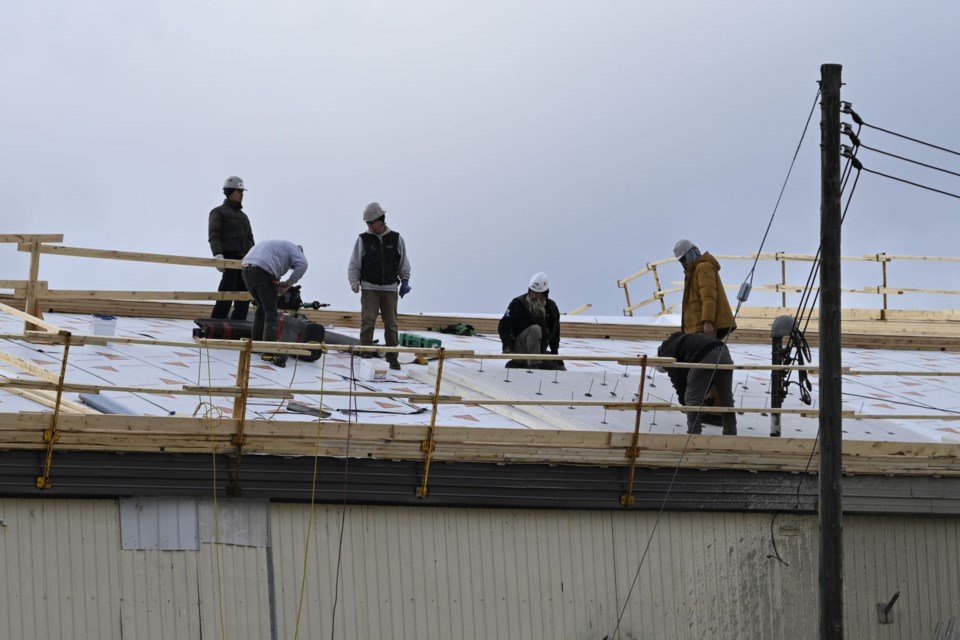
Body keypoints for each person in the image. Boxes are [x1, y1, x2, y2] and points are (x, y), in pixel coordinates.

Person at [347, 202, 412, 371]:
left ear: (380, 220)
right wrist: (354, 282)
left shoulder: (396, 238)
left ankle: (392, 357)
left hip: (390, 288)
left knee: (391, 323)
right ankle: (366, 352)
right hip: (369, 287)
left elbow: (403, 261)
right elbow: (354, 264)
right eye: (367, 223)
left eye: (371, 223)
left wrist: (405, 280)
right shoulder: (363, 239)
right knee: (368, 321)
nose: (368, 226)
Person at [241, 240, 308, 368]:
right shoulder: (297, 251)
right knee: (271, 312)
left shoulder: (280, 247)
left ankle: (256, 345)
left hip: (245, 270)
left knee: (262, 307)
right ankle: (268, 351)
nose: (291, 268)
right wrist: (288, 284)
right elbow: (303, 265)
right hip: (263, 270)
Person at [657, 331, 737, 435]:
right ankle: (730, 433)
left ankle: (694, 434)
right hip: (724, 351)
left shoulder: (667, 353)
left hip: (706, 355)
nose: (668, 371)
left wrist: (684, 403)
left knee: (692, 398)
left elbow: (678, 381)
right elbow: (700, 379)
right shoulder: (682, 342)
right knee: (726, 398)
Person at [209, 176, 255, 320]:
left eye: (242, 192)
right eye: (239, 191)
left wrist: (255, 258)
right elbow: (214, 236)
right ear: (229, 192)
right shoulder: (218, 212)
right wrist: (218, 255)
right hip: (229, 259)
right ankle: (216, 325)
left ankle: (238, 327)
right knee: (226, 294)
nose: (242, 194)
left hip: (245, 261)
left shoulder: (244, 216)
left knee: (244, 297)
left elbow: (250, 239)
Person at [497, 272, 564, 370]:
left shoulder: (551, 307)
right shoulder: (518, 303)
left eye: (537, 293)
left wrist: (555, 353)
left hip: (539, 350)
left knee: (560, 369)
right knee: (535, 329)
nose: (533, 295)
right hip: (520, 350)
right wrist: (507, 344)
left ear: (544, 294)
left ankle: (537, 359)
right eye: (532, 291)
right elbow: (504, 325)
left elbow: (555, 330)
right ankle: (534, 365)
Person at [674, 239, 736, 339]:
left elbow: (709, 297)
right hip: (696, 328)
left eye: (684, 258)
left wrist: (708, 322)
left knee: (706, 353)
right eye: (681, 260)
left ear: (691, 253)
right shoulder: (693, 273)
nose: (684, 262)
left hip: (703, 328)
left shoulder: (704, 267)